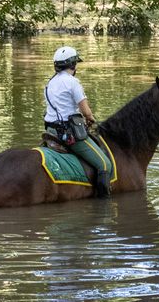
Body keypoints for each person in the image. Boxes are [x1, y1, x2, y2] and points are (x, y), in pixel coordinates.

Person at [43, 45, 110, 196]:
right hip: (69, 134)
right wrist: (91, 119)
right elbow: (86, 111)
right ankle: (104, 206)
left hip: (50, 131)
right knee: (105, 165)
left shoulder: (49, 84)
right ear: (73, 64)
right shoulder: (73, 82)